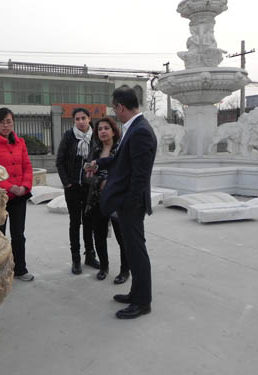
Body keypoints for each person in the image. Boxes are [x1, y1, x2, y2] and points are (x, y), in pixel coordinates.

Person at [89, 86, 157, 319]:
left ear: (120, 106)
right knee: (132, 250)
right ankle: (135, 293)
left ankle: (142, 302)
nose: (114, 113)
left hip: (131, 205)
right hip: (128, 203)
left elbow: (140, 175)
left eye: (114, 108)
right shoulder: (134, 128)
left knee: (137, 253)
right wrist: (99, 164)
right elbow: (120, 161)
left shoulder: (141, 131)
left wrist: (127, 203)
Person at [0, 107, 34, 281]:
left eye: (9, 121)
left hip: (19, 196)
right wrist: (10, 187)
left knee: (18, 234)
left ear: (13, 122)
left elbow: (27, 166)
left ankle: (20, 268)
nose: (5, 125)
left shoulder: (20, 142)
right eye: (1, 122)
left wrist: (24, 186)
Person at [85, 117, 130, 283]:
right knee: (99, 235)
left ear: (113, 131)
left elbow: (125, 174)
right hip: (97, 199)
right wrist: (98, 181)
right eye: (100, 129)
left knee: (122, 237)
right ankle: (104, 267)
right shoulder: (95, 151)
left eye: (106, 128)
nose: (103, 131)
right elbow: (87, 175)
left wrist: (109, 183)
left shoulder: (121, 150)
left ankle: (125, 271)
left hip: (117, 201)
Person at [56, 107, 100, 275]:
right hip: (73, 188)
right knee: (75, 223)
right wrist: (67, 183)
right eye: (77, 119)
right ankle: (76, 258)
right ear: (73, 121)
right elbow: (60, 161)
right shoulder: (69, 136)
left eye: (83, 118)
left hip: (89, 187)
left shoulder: (95, 137)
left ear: (89, 119)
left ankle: (90, 254)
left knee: (89, 221)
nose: (80, 121)